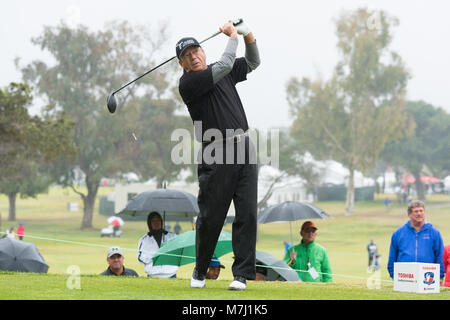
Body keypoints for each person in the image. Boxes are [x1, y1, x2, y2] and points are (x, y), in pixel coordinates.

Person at [177, 20, 260, 291]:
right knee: (212, 217)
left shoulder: (219, 70)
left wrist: (248, 35)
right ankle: (200, 270)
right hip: (216, 151)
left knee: (247, 213)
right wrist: (232, 36)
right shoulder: (189, 83)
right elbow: (225, 64)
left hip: (244, 147)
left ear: (203, 51)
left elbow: (253, 62)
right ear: (183, 64)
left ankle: (241, 275)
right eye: (187, 56)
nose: (194, 56)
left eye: (196, 51)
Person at [387, 200, 445, 281]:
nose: (419, 213)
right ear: (409, 214)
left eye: (421, 211)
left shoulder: (434, 232)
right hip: (405, 278)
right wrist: (393, 275)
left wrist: (440, 277)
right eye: (416, 211)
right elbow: (392, 256)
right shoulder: (398, 233)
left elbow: (440, 255)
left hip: (427, 278)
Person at [137, 212, 178, 278]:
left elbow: (179, 252)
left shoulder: (172, 236)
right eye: (153, 221)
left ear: (161, 222)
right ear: (149, 223)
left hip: (171, 273)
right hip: (153, 274)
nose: (156, 223)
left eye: (158, 220)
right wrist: (155, 256)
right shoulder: (144, 239)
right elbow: (140, 258)